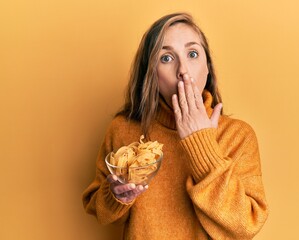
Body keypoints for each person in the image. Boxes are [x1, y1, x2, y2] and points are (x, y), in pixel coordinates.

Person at [82, 12, 269, 239]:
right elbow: (100, 211)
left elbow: (245, 225)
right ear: (151, 74)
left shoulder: (238, 135)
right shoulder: (122, 129)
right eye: (166, 58)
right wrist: (117, 196)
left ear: (207, 67)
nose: (183, 70)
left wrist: (201, 144)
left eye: (192, 54)